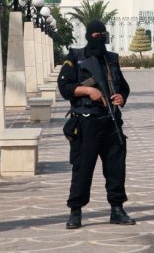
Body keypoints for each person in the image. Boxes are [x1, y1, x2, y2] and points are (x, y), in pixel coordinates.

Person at [57, 20, 136, 228]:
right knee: (82, 169)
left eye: (103, 35)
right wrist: (88, 91)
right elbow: (65, 88)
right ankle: (75, 212)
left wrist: (121, 97)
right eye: (95, 35)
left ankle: (117, 209)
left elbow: (124, 86)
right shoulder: (75, 57)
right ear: (88, 36)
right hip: (86, 123)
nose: (99, 38)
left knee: (116, 169)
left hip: (111, 123)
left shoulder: (111, 60)